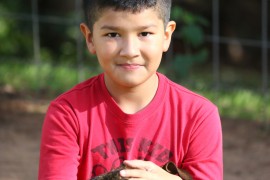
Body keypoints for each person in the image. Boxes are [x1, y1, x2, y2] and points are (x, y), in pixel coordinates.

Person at [38, 0, 223, 179]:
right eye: (112, 35)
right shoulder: (67, 113)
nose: (130, 51)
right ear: (90, 38)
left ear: (166, 36)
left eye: (144, 33)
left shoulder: (199, 116)